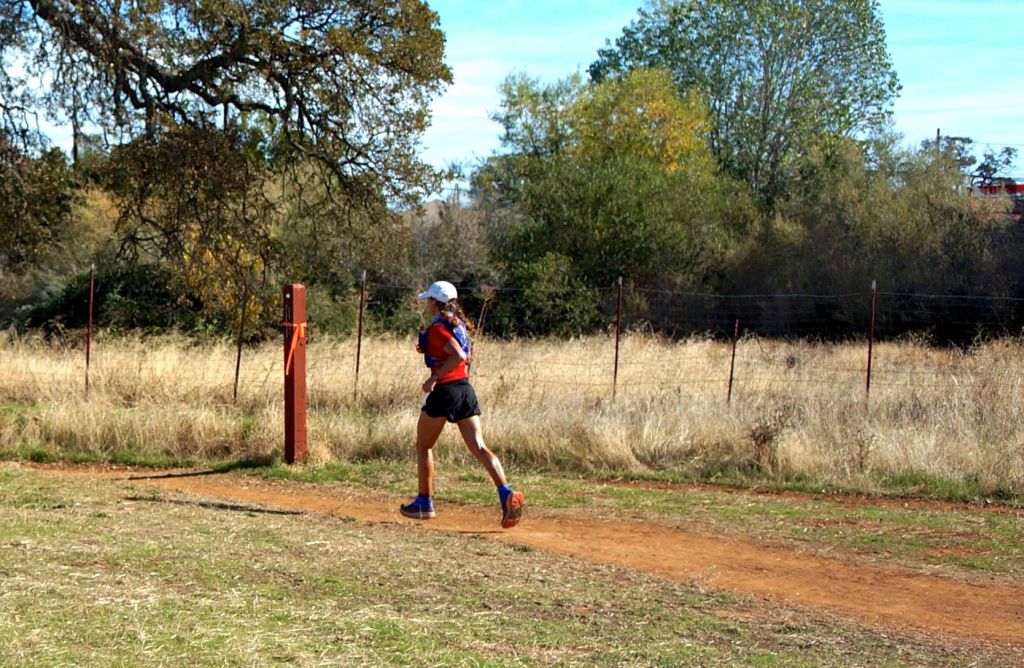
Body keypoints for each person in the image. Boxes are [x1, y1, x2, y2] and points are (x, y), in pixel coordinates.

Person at [399, 280, 525, 529]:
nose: (427, 304)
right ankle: (505, 492)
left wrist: (434, 376)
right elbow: (460, 355)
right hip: (465, 389)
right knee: (479, 446)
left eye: (429, 300)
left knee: (423, 446)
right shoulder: (457, 325)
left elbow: (458, 355)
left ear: (435, 302)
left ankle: (424, 503)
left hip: (445, 390)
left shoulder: (439, 328)